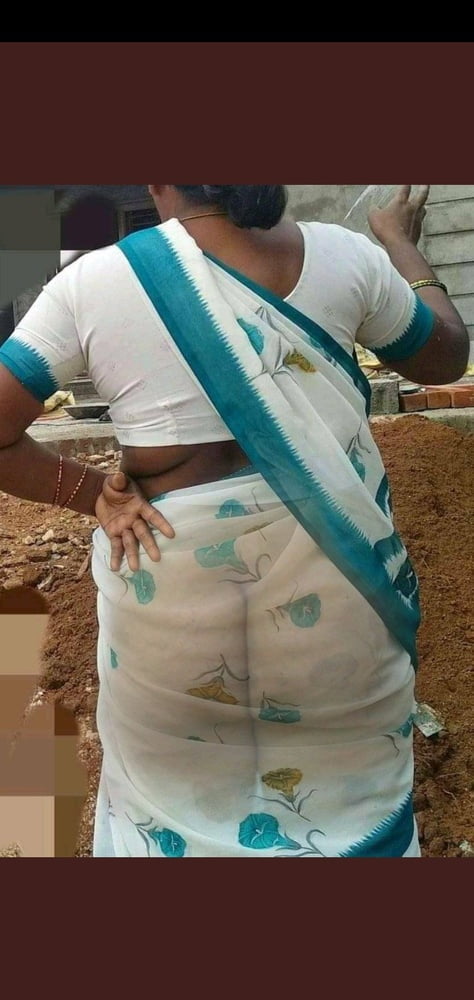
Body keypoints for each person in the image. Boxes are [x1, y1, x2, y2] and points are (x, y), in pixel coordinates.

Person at [0, 184, 468, 858]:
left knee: (170, 815)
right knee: (348, 812)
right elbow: (445, 356)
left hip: (165, 590)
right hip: (337, 589)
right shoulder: (349, 259)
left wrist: (93, 493)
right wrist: (400, 245)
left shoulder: (96, 281)